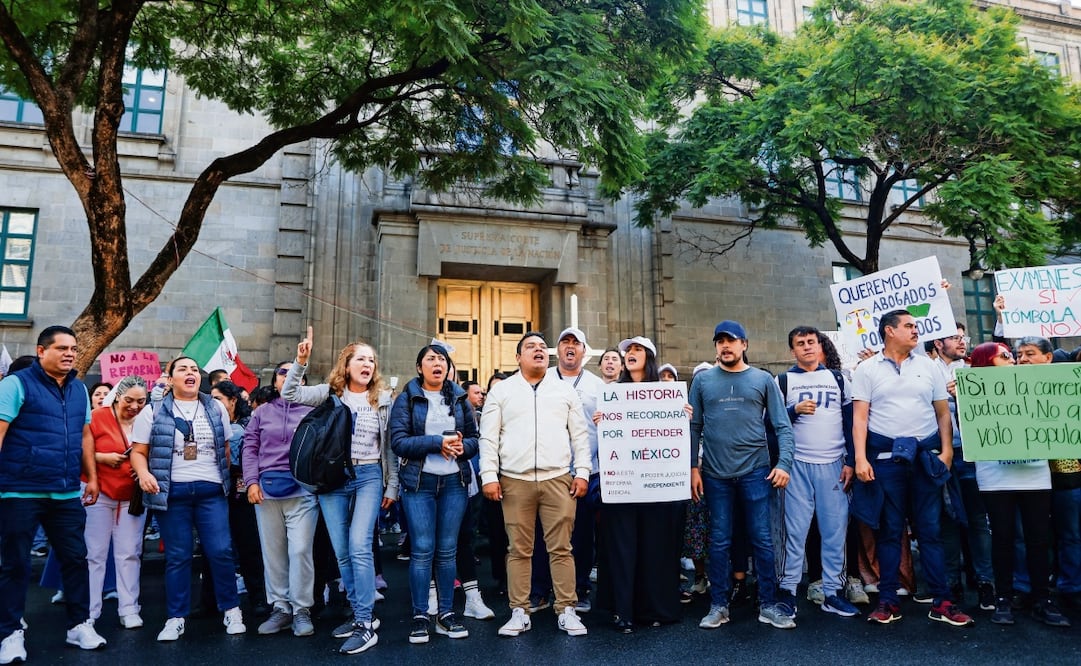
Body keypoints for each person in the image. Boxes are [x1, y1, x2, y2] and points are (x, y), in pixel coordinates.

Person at [851, 310, 973, 627]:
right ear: (889, 331)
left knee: (931, 532)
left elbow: (943, 414)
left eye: (915, 326)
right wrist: (861, 458)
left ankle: (942, 601)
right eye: (909, 326)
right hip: (885, 461)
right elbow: (860, 418)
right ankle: (888, 601)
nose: (916, 331)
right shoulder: (866, 369)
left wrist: (946, 451)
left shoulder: (929, 366)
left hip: (925, 459)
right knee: (890, 533)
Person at [281, 328, 399, 655]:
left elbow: (389, 448)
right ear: (346, 365)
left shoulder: (383, 400)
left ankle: (364, 621)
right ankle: (359, 610)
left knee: (360, 545)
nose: (368, 364)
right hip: (333, 479)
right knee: (343, 550)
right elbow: (290, 394)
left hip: (369, 475)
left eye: (372, 360)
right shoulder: (329, 394)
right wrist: (300, 362)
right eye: (360, 358)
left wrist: (393, 484)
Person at [0, 326, 107, 664]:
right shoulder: (15, 384)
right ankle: (10, 633)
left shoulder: (78, 389)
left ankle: (79, 625)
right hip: (20, 490)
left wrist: (91, 476)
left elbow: (86, 436)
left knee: (76, 559)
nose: (69, 354)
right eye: (61, 348)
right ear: (41, 350)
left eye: (73, 348)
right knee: (15, 564)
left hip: (64, 492)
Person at [479, 332, 590, 638]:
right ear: (518, 358)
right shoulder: (502, 392)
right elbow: (488, 437)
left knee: (562, 548)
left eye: (542, 347)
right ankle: (519, 611)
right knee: (518, 549)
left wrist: (582, 472)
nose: (539, 351)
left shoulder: (564, 390)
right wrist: (489, 476)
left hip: (558, 479)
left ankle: (567, 610)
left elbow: (580, 435)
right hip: (515, 480)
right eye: (531, 347)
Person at [129, 356, 247, 641]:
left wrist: (224, 481)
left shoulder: (215, 406)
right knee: (178, 557)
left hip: (211, 492)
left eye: (194, 369)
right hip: (172, 494)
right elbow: (138, 451)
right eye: (183, 369)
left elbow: (226, 449)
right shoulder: (153, 410)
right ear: (171, 379)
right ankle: (175, 617)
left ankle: (231, 610)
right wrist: (144, 475)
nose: (190, 373)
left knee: (220, 551)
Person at [689, 320, 795, 630]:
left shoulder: (762, 379)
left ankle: (768, 604)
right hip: (715, 474)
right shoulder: (703, 381)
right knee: (719, 541)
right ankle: (719, 605)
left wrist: (784, 463)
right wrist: (692, 467)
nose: (725, 346)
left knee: (762, 539)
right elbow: (694, 427)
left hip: (756, 471)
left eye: (732, 341)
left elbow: (782, 425)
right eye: (720, 341)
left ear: (744, 345)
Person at [965, 342, 1068, 627]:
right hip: (995, 476)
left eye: (1013, 355)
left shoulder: (1034, 382)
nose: (1013, 359)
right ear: (987, 362)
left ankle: (1042, 599)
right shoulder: (972, 392)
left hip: (1035, 472)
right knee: (1003, 538)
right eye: (1005, 355)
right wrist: (962, 397)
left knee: (1038, 538)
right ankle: (1004, 598)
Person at [390, 344, 480, 644]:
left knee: (447, 550)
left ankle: (444, 614)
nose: (437, 363)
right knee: (422, 550)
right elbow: (399, 442)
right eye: (431, 359)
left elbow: (474, 440)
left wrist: (459, 447)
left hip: (454, 482)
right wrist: (436, 443)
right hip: (419, 484)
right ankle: (419, 615)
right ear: (420, 367)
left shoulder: (459, 397)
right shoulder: (407, 398)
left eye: (442, 359)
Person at [598, 336, 685, 633]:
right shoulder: (612, 393)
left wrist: (683, 416)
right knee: (622, 548)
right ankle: (623, 610)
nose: (630, 354)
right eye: (628, 351)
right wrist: (603, 420)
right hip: (623, 485)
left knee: (655, 548)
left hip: (657, 485)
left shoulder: (667, 393)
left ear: (649, 356)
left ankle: (656, 608)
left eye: (637, 350)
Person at [775, 327, 859, 619]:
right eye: (800, 344)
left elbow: (851, 421)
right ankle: (787, 591)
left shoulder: (838, 378)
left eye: (811, 342)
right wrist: (794, 410)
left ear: (819, 346)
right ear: (792, 351)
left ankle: (833, 593)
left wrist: (852, 459)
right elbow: (770, 424)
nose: (807, 347)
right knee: (795, 531)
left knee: (835, 531)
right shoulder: (783, 381)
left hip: (834, 463)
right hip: (797, 464)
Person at [243, 361, 319, 638]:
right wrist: (252, 482)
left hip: (303, 492)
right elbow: (250, 447)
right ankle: (281, 607)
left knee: (300, 550)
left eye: (293, 372)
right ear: (274, 382)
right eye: (281, 372)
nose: (287, 376)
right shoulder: (261, 412)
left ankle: (301, 610)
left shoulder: (314, 411)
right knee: (273, 553)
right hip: (266, 491)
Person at [931, 326, 994, 610]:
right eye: (956, 338)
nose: (962, 343)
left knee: (978, 519)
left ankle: (985, 583)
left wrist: (963, 398)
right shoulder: (925, 371)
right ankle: (952, 584)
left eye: (963, 338)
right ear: (938, 342)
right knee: (947, 520)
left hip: (971, 453)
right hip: (939, 455)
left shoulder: (973, 369)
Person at [546, 328, 605, 615]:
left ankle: (579, 588)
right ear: (557, 350)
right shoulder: (542, 380)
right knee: (547, 534)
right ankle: (544, 589)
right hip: (548, 471)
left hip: (585, 472)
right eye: (565, 342)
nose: (570, 347)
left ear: (584, 351)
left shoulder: (597, 385)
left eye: (575, 343)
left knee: (581, 536)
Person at [85, 374, 148, 629]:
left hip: (132, 495)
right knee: (95, 553)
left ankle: (129, 608)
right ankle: (88, 611)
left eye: (141, 401)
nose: (134, 406)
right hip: (98, 491)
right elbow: (81, 449)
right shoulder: (97, 416)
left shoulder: (147, 418)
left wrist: (143, 467)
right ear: (117, 397)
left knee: (130, 552)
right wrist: (102, 458)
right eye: (129, 400)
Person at [208, 380, 265, 617]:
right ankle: (210, 601)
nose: (213, 404)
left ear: (232, 401)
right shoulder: (206, 424)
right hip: (214, 490)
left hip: (241, 491)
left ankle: (258, 598)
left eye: (218, 399)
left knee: (248, 545)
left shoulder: (247, 425)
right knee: (214, 547)